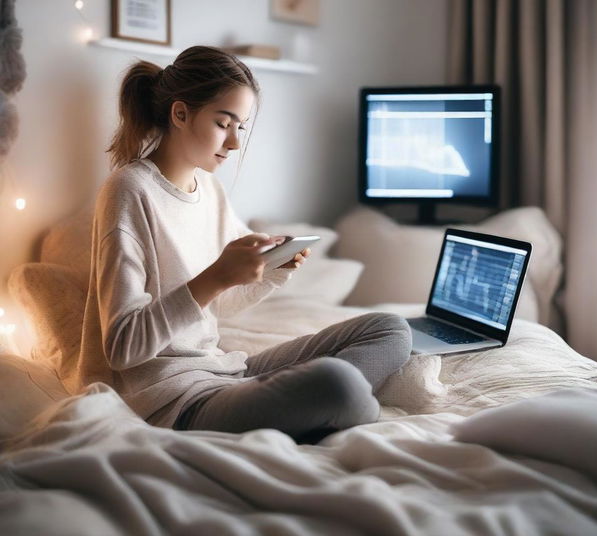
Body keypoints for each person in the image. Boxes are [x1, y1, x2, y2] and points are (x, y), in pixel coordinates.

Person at [72, 45, 412, 444]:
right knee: (338, 383)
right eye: (223, 123)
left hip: (226, 371)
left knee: (389, 328)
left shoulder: (209, 190)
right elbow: (123, 348)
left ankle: (322, 408)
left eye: (242, 127)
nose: (234, 143)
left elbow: (219, 305)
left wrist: (269, 269)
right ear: (180, 114)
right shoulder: (129, 191)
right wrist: (216, 277)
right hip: (175, 401)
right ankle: (335, 406)